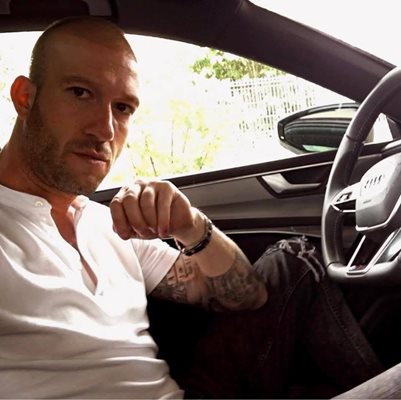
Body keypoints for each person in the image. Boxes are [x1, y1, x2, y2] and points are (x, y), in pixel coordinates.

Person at [0, 16, 385, 399]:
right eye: (80, 92)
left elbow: (246, 296)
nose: (105, 129)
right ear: (25, 98)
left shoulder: (109, 225)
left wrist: (192, 227)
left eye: (122, 107)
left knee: (294, 259)